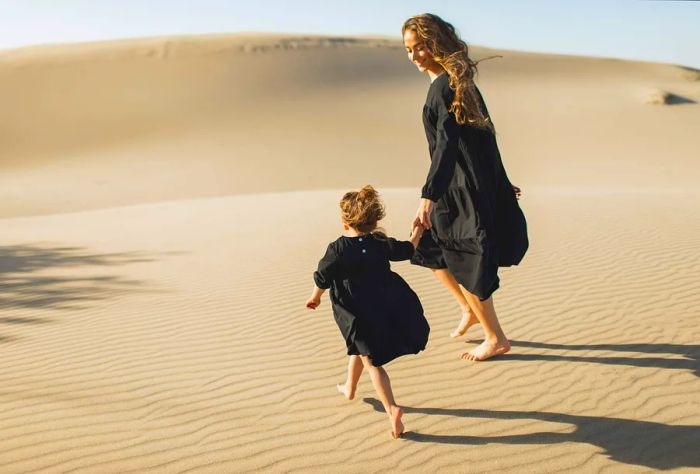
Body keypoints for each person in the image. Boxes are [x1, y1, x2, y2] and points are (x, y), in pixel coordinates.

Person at [402, 14, 529, 361]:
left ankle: (495, 337)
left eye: (421, 47)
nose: (415, 55)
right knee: (430, 249)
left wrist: (428, 196)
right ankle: (469, 309)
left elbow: (449, 145)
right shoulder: (452, 84)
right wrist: (497, 180)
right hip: (457, 184)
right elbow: (483, 139)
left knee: (465, 258)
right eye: (409, 50)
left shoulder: (446, 86)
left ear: (437, 43)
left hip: (458, 189)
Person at [305, 185, 430, 439]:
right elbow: (407, 250)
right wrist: (417, 233)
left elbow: (322, 277)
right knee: (360, 348)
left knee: (373, 364)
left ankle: (391, 408)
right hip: (384, 305)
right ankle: (350, 387)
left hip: (356, 312)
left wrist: (315, 297)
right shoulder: (379, 242)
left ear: (344, 223)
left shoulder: (338, 248)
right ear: (373, 223)